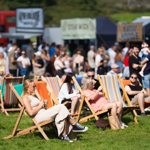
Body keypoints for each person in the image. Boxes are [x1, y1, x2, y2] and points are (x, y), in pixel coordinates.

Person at [22, 79, 88, 142]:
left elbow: (37, 106)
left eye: (35, 86)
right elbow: (31, 113)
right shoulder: (25, 98)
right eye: (33, 86)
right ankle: (74, 125)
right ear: (27, 87)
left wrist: (43, 102)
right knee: (61, 106)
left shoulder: (33, 96)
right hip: (39, 117)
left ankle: (64, 135)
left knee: (62, 113)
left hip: (44, 113)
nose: (35, 87)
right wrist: (40, 105)